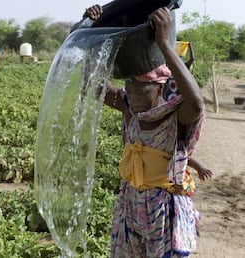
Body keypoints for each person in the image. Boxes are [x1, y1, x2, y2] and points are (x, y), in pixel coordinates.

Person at [82, 5, 206, 257]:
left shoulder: (175, 116)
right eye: (129, 84)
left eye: (141, 87)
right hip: (131, 207)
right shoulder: (130, 109)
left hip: (163, 213)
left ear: (159, 88)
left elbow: (196, 103)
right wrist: (92, 34)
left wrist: (164, 45)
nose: (133, 91)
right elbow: (91, 85)